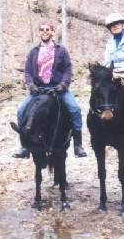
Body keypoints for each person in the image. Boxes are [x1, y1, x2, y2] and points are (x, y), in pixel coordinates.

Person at [13, 21, 87, 159]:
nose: (45, 31)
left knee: (75, 109)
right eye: (42, 29)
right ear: (39, 32)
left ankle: (78, 145)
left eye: (48, 29)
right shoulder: (33, 52)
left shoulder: (61, 50)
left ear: (53, 32)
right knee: (21, 110)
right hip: (38, 89)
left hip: (58, 88)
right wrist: (31, 86)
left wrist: (63, 85)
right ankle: (24, 146)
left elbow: (68, 69)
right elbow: (28, 72)